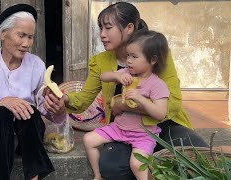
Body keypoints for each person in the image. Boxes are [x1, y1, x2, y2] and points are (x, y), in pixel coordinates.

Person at [44, 2, 208, 180]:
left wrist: (122, 104)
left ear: (129, 28)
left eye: (108, 28)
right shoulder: (100, 62)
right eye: (100, 28)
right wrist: (63, 98)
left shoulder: (157, 55)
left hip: (163, 124)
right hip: (124, 127)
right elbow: (83, 99)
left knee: (197, 151)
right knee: (111, 168)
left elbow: (173, 103)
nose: (102, 35)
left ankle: (147, 164)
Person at [0, 4, 65, 180]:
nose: (27, 43)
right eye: (21, 35)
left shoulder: (36, 65)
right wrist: (3, 101)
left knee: (30, 111)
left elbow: (44, 107)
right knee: (1, 113)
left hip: (28, 135)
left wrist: (56, 108)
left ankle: (34, 177)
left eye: (31, 37)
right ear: (3, 34)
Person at [84, 30, 170, 180]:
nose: (128, 60)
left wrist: (141, 99)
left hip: (142, 134)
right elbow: (103, 76)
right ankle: (98, 175)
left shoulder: (157, 85)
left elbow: (160, 113)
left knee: (137, 164)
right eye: (128, 55)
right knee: (88, 140)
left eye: (134, 56)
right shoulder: (127, 74)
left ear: (152, 60)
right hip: (119, 128)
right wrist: (116, 75)